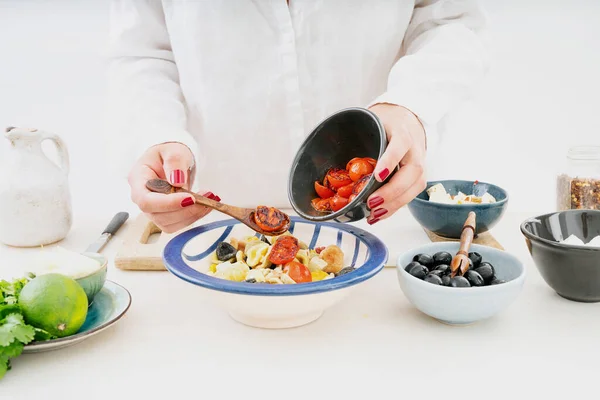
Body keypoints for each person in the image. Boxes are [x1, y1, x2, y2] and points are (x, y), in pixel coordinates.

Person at [106, 0, 488, 233]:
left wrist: (411, 102)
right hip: (212, 219)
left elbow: (451, 21)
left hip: (383, 212)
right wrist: (158, 133)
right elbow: (142, 50)